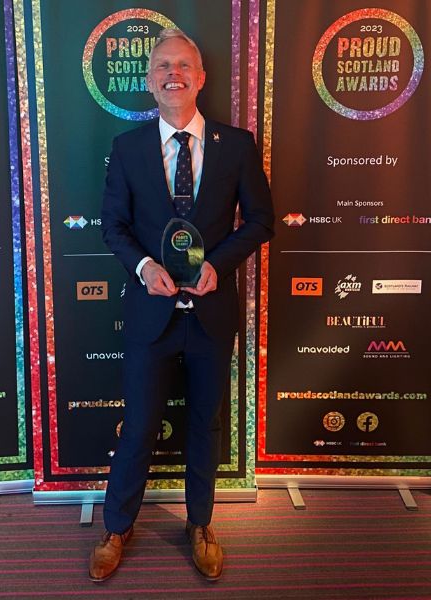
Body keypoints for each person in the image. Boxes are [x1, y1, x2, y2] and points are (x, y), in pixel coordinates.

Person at [91, 28, 274, 582]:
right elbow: (114, 226)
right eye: (163, 65)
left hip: (212, 314)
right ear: (149, 82)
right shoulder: (126, 149)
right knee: (141, 422)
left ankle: (200, 525)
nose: (174, 73)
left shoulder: (236, 145)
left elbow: (262, 220)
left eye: (184, 65)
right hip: (152, 314)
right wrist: (145, 268)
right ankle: (116, 527)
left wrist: (219, 262)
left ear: (201, 77)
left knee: (204, 424)